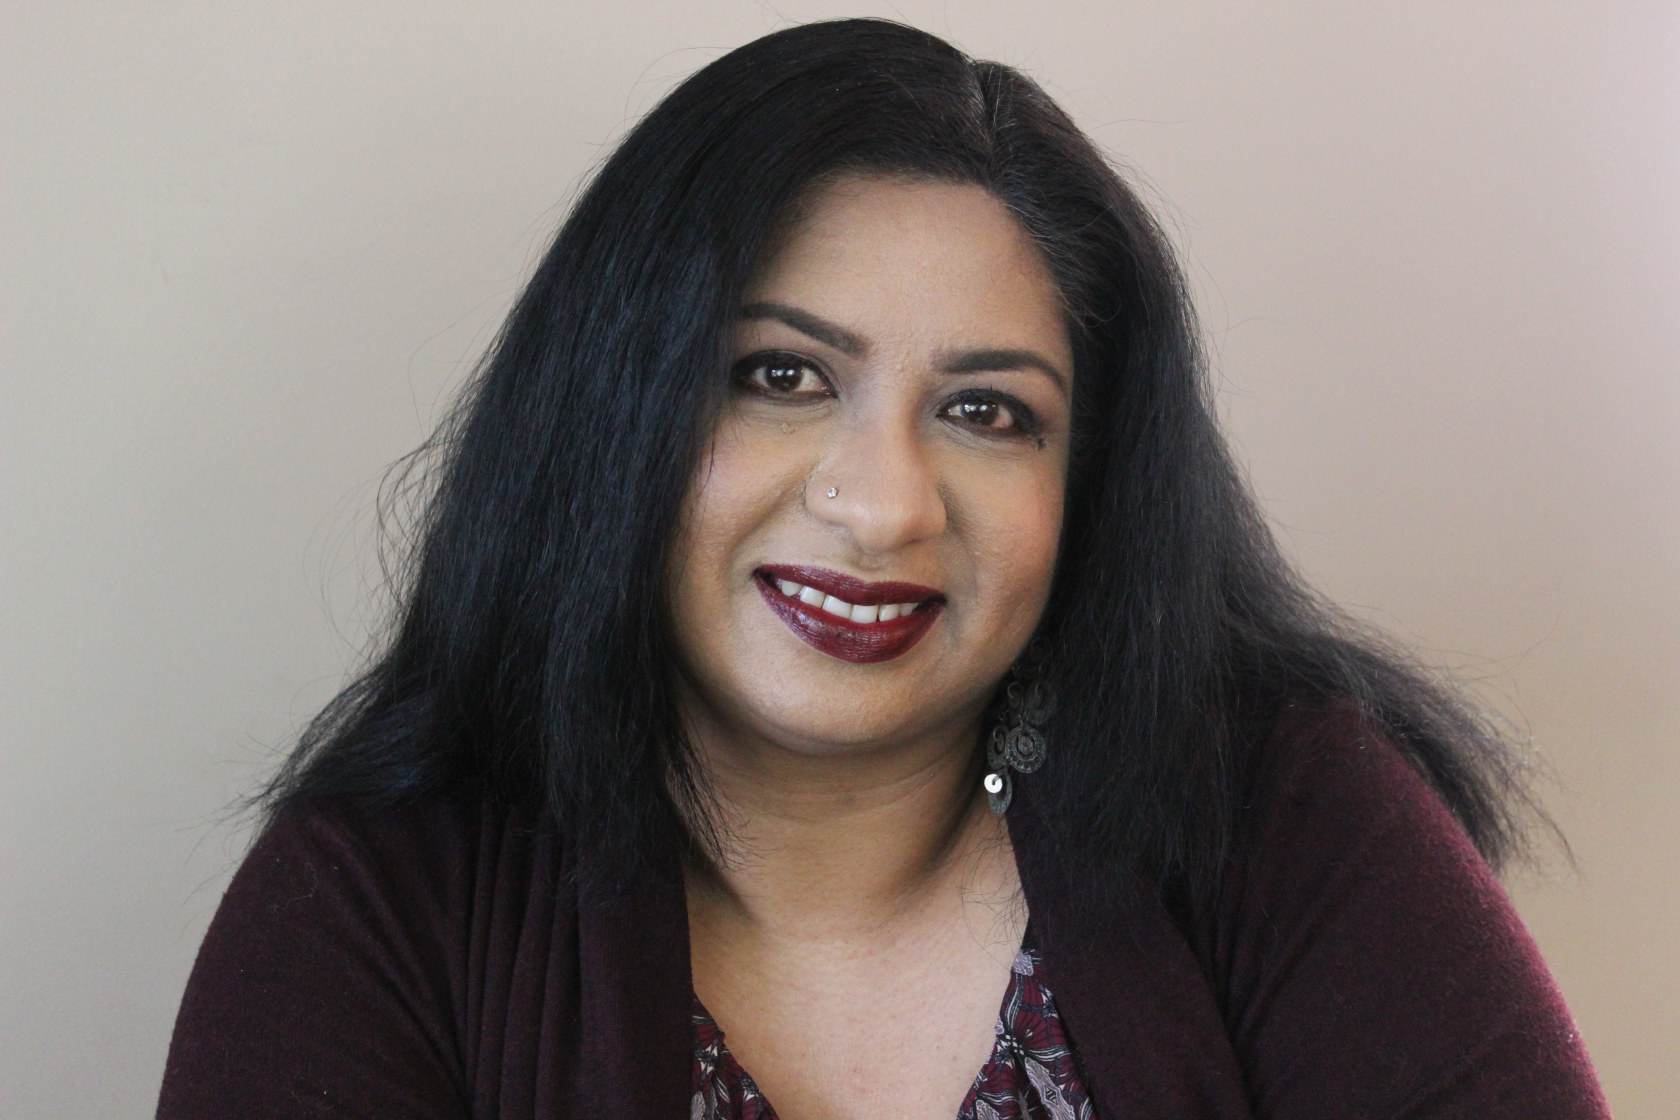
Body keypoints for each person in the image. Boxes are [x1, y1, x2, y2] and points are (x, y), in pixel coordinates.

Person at [157, 18, 1607, 1120]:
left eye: (988, 412)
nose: (885, 505)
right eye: (782, 376)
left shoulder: (1284, 817)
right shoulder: (374, 902)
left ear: (1090, 487)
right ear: (614, 407)